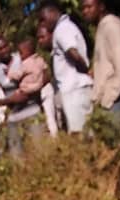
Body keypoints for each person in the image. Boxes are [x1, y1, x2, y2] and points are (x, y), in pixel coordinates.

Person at [38, 1, 93, 133]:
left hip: (74, 89)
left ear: (53, 13)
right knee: (79, 132)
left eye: (43, 19)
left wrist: (85, 69)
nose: (42, 24)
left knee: (79, 133)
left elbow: (72, 52)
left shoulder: (62, 29)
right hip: (74, 88)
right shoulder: (65, 27)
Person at [0, 34, 45, 157]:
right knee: (17, 158)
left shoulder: (22, 57)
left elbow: (43, 74)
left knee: (40, 152)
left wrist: (31, 90)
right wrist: (10, 100)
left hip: (32, 112)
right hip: (14, 117)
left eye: (5, 47)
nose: (4, 51)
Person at [83, 0, 120, 123]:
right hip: (107, 101)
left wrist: (111, 95)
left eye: (89, 7)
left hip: (115, 101)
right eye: (83, 8)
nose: (85, 11)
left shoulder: (111, 26)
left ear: (101, 7)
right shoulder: (102, 27)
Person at [35, 22, 62, 135]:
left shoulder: (59, 51)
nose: (40, 41)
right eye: (38, 38)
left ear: (51, 35)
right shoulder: (50, 54)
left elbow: (48, 74)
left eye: (43, 37)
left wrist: (37, 85)